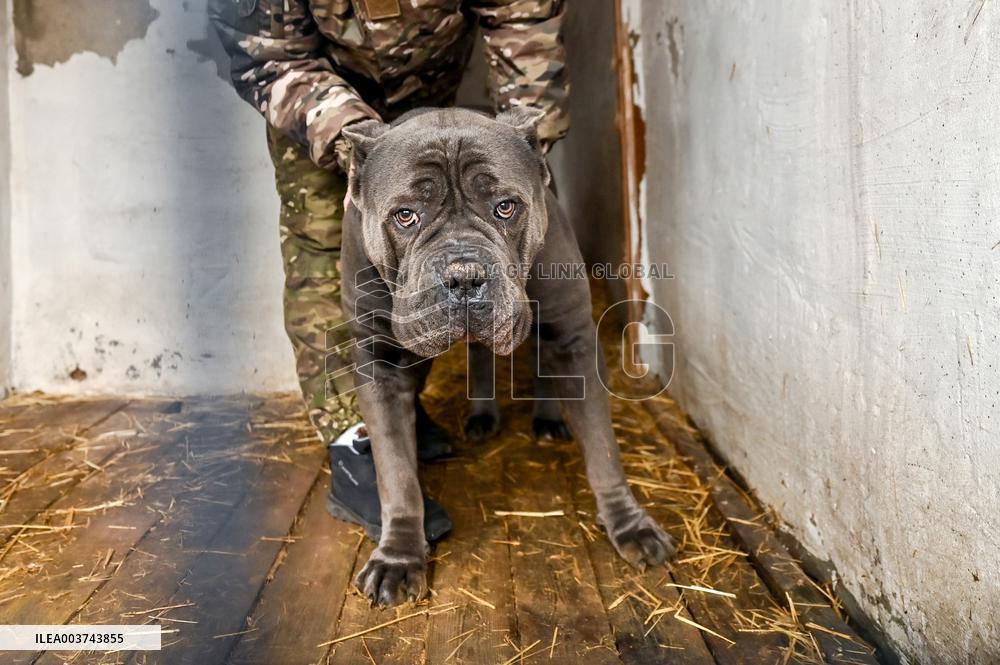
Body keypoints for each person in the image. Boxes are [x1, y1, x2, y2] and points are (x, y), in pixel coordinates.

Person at [209, 0, 569, 541]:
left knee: (425, 259)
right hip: (316, 98)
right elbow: (267, 53)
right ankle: (355, 441)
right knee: (324, 244)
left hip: (426, 91)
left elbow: (523, 20)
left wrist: (524, 144)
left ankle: (401, 409)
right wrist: (367, 151)